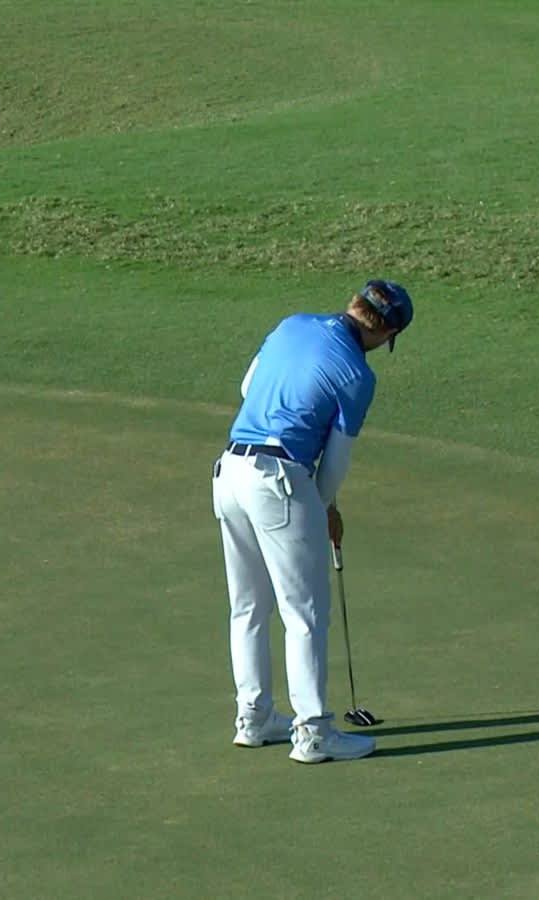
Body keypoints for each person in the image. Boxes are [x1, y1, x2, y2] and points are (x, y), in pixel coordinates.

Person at [211, 278, 413, 763]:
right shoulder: (357, 377)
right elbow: (335, 462)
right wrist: (323, 508)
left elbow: (247, 387)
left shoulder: (291, 324)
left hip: (229, 473)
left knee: (248, 607)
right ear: (385, 334)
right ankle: (315, 733)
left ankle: (254, 718)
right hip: (278, 481)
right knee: (304, 613)